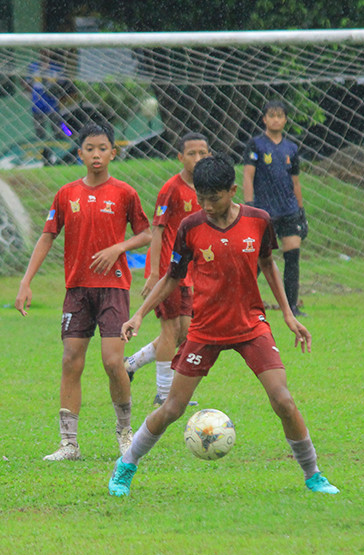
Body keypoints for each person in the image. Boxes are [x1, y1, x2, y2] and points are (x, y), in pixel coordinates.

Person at [108, 155, 338, 497]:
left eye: (214, 197)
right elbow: (172, 278)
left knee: (283, 401)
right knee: (172, 408)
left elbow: (269, 266)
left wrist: (288, 315)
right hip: (206, 330)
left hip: (250, 325)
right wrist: (139, 314)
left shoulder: (258, 221)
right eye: (201, 198)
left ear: (232, 191)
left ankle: (313, 474)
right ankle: (125, 466)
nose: (207, 205)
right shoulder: (191, 227)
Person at [15, 123, 153, 461]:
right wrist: (26, 281)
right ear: (80, 153)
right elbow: (47, 235)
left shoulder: (124, 193)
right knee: (70, 361)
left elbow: (147, 234)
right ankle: (69, 444)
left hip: (113, 287)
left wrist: (118, 247)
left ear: (113, 153)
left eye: (102, 148)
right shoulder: (66, 194)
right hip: (77, 290)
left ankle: (125, 435)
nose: (96, 154)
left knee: (112, 361)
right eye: (90, 148)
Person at [124, 132, 210, 405]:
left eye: (203, 153)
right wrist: (153, 274)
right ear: (180, 157)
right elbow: (158, 231)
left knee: (184, 332)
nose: (198, 158)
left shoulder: (207, 188)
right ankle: (164, 392)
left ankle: (132, 363)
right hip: (166, 267)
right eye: (192, 154)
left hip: (189, 270)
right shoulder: (171, 188)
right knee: (171, 330)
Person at [242, 100, 308, 316]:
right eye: (272, 115)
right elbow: (248, 176)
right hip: (264, 211)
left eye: (280, 116)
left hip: (289, 209)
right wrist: (249, 206)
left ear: (285, 120)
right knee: (259, 259)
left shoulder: (292, 148)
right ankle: (241, 302)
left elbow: (295, 181)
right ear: (264, 119)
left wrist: (301, 211)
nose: (276, 119)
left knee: (292, 256)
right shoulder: (256, 145)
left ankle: (291, 306)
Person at [26, 50, 67, 164]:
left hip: (52, 102)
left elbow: (63, 83)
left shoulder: (56, 68)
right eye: (43, 54)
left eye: (47, 55)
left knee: (59, 126)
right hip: (37, 103)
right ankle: (42, 155)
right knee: (39, 130)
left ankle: (68, 136)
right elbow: (26, 82)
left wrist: (54, 87)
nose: (45, 57)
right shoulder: (33, 66)